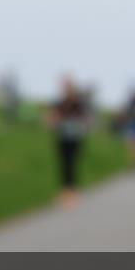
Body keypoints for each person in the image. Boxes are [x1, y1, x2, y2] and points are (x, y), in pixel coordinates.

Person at [47, 77, 90, 208]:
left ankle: (73, 191)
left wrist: (80, 123)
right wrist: (54, 121)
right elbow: (52, 119)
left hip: (75, 138)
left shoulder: (78, 104)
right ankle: (64, 191)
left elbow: (86, 120)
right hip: (62, 137)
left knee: (72, 163)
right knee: (63, 163)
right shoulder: (59, 103)